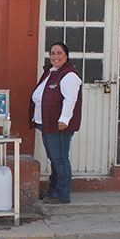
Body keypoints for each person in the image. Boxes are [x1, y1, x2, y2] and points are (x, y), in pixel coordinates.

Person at [29, 42, 82, 204]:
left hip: (58, 125)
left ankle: (62, 194)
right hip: (46, 123)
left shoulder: (69, 75)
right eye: (52, 53)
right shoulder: (51, 72)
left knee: (60, 159)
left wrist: (64, 119)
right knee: (54, 158)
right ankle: (54, 190)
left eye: (59, 53)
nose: (55, 56)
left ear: (66, 55)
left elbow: (70, 99)